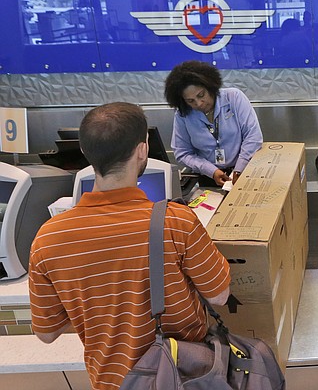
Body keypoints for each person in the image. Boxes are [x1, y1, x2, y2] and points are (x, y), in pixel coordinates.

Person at [28, 102, 231, 390]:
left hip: (112, 382)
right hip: (184, 377)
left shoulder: (47, 239)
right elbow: (220, 295)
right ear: (142, 150)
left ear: (86, 152)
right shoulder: (177, 221)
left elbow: (46, 333)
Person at [165, 60, 263, 186]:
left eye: (201, 95)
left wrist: (239, 169)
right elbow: (182, 153)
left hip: (244, 171)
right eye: (190, 101)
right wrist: (210, 170)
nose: (199, 103)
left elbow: (253, 137)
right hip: (208, 177)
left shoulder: (233, 98)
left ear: (210, 86)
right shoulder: (183, 114)